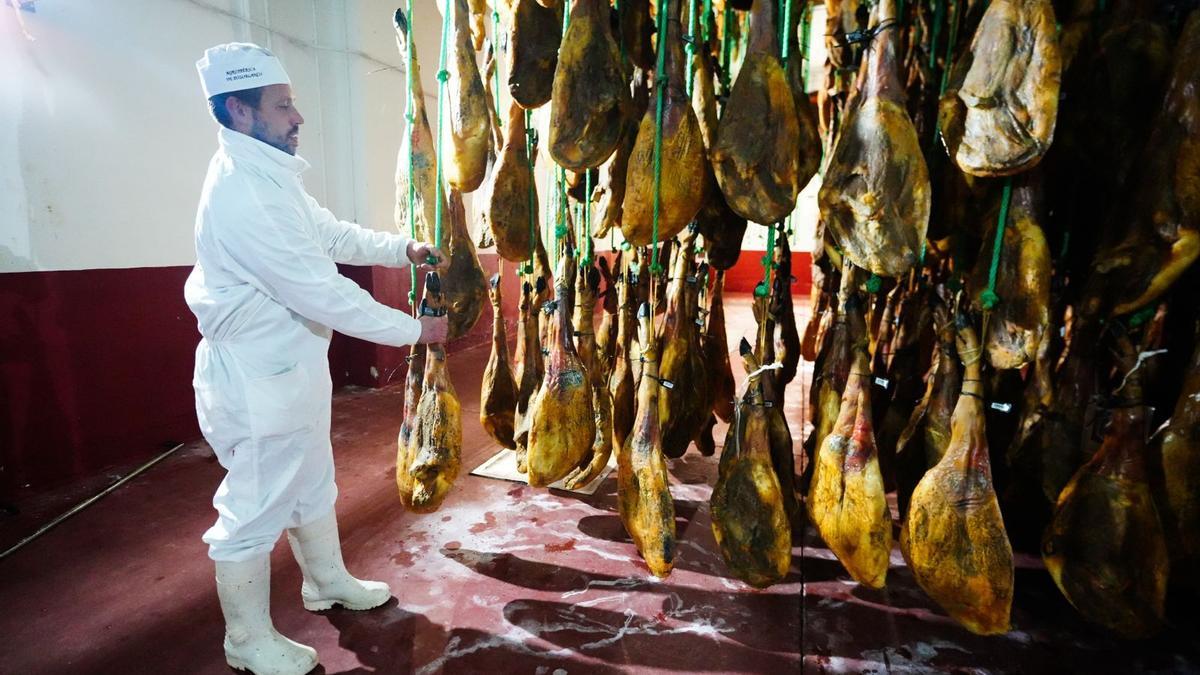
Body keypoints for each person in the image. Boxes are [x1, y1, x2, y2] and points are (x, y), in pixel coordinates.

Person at [187, 43, 446, 675]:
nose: (297, 116)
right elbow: (320, 291)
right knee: (252, 507)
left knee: (310, 481)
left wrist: (402, 249)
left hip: (290, 366)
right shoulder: (244, 193)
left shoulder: (272, 177)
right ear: (239, 111)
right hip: (255, 378)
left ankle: (326, 582)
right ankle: (246, 640)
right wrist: (415, 330)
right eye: (282, 105)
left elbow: (330, 235)